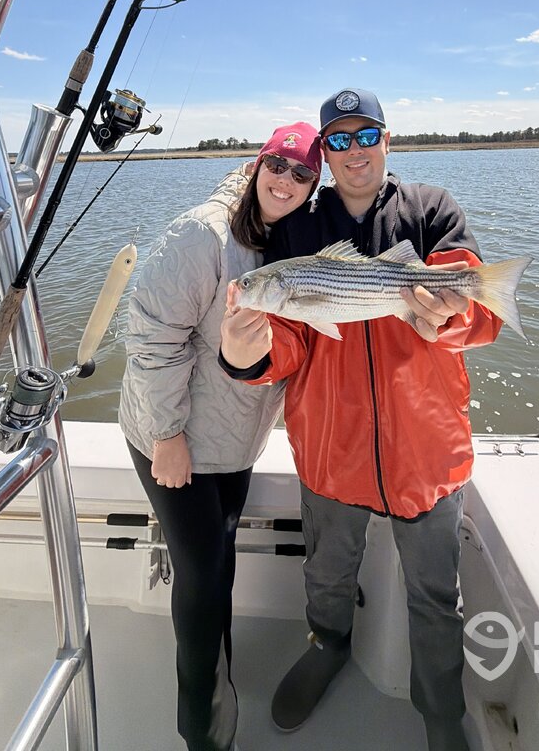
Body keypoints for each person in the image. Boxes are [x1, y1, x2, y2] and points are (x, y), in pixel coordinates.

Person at [219, 89, 503, 751]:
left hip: (426, 451)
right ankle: (328, 647)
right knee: (325, 576)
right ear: (325, 152)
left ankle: (441, 711)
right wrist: (245, 352)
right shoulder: (297, 228)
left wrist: (451, 316)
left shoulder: (431, 209)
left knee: (435, 595)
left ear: (386, 139)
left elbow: (480, 317)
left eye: (366, 134)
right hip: (330, 449)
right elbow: (290, 343)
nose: (355, 151)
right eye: (339, 140)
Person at [120, 122, 322, 751]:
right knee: (204, 579)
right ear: (259, 164)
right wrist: (166, 435)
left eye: (302, 174)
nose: (286, 181)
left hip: (234, 443)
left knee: (219, 563)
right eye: (278, 165)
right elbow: (151, 337)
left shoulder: (285, 241)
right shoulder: (201, 234)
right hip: (174, 441)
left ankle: (222, 686)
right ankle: (205, 733)